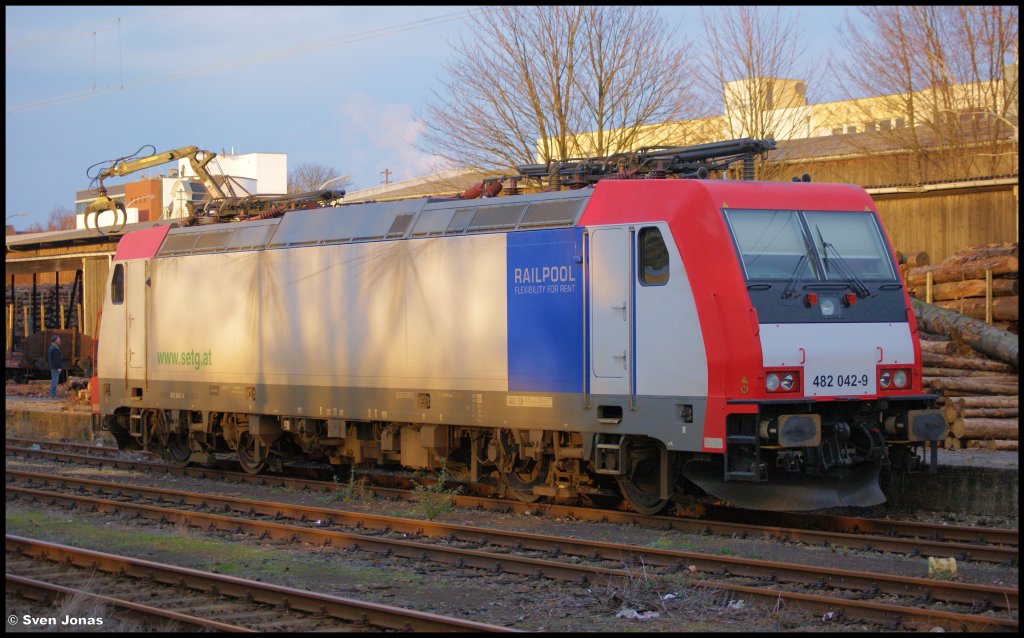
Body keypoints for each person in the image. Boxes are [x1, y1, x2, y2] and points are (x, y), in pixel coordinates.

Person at [48, 335, 63, 399]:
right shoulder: (54, 349)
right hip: (55, 367)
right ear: (55, 341)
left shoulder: (52, 347)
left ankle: (52, 395)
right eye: (58, 340)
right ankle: (52, 395)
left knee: (54, 380)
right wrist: (59, 367)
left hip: (53, 367)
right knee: (54, 381)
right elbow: (56, 359)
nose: (60, 341)